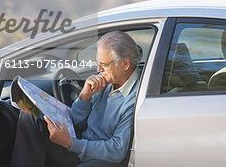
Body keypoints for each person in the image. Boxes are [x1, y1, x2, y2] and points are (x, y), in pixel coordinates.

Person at [10, 31, 142, 167]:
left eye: (103, 65)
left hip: (97, 158)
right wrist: (85, 96)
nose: (98, 69)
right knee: (31, 117)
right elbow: (76, 122)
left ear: (125, 64)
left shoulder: (136, 98)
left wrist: (70, 143)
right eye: (98, 64)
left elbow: (116, 151)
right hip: (80, 142)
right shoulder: (106, 82)